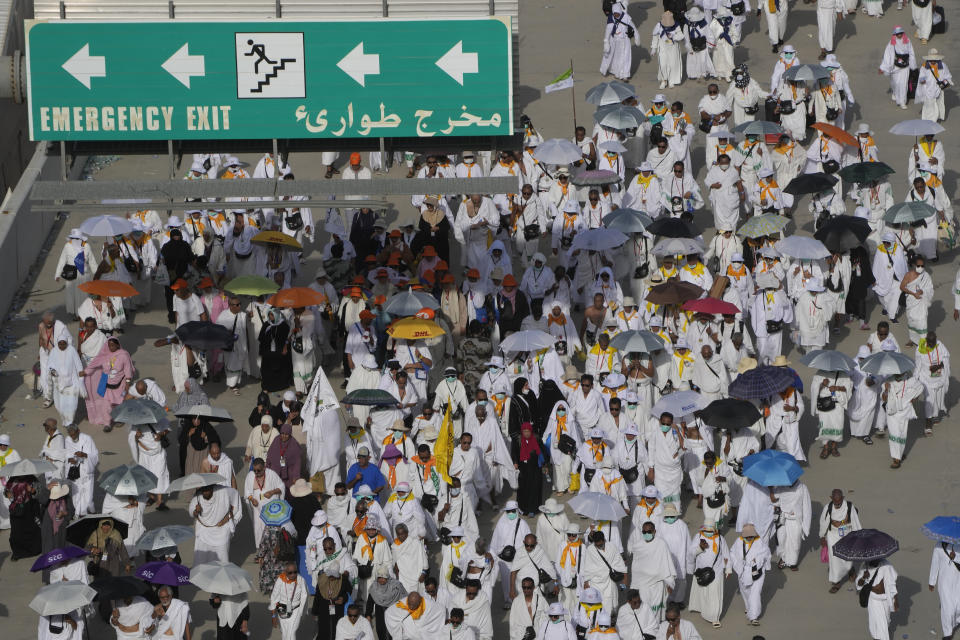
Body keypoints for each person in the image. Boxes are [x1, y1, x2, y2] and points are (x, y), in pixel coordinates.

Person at [81, 336, 134, 433]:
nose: (111, 347)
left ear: (118, 345)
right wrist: (85, 372)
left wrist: (127, 384)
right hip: (108, 386)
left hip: (120, 386)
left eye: (113, 345)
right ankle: (107, 424)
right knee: (106, 405)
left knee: (118, 404)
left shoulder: (124, 355)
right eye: (109, 345)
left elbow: (128, 371)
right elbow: (94, 365)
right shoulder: (105, 355)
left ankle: (119, 419)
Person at [628, 520, 676, 622]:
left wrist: (670, 583)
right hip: (642, 586)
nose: (647, 534)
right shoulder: (637, 546)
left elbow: (667, 564)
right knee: (644, 608)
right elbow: (635, 568)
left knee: (656, 609)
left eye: (649, 532)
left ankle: (654, 629)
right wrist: (634, 586)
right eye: (644, 532)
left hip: (657, 584)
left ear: (654, 532)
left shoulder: (661, 544)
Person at [819, 489, 863, 592]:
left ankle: (850, 570)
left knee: (847, 559)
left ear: (843, 498)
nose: (837, 505)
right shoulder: (828, 508)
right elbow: (823, 523)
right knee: (834, 560)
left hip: (847, 535)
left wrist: (859, 537)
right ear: (831, 498)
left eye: (839, 503)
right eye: (835, 502)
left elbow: (855, 522)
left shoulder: (849, 507)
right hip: (832, 535)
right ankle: (836, 582)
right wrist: (822, 537)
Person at [189, 483, 241, 564]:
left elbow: (236, 498)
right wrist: (196, 511)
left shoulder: (224, 491)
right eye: (203, 490)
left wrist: (226, 519)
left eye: (207, 490)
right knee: (201, 560)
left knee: (222, 560)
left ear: (212, 488)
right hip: (203, 532)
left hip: (221, 531)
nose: (204, 493)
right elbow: (191, 511)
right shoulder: (198, 496)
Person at [729, 523, 770, 626]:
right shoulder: (738, 541)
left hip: (757, 571)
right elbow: (732, 553)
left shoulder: (760, 542)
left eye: (751, 536)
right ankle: (749, 608)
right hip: (743, 571)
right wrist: (736, 565)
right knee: (745, 591)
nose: (749, 538)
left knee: (755, 594)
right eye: (747, 536)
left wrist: (757, 561)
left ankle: (754, 617)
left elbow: (766, 554)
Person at [881, 372, 923, 468]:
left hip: (905, 411)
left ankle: (899, 453)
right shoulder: (888, 381)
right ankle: (896, 458)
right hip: (892, 412)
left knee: (902, 433)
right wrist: (886, 389)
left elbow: (921, 387)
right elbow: (883, 398)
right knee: (894, 433)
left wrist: (914, 398)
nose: (898, 374)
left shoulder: (910, 380)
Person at [915, 332, 950, 433]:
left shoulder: (940, 345)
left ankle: (934, 415)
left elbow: (946, 357)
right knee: (929, 400)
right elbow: (918, 365)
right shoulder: (920, 349)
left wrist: (939, 366)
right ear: (926, 340)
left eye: (933, 342)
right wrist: (915, 380)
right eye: (929, 342)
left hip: (939, 377)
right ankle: (928, 421)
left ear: (936, 339)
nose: (931, 344)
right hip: (926, 378)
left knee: (938, 398)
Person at [511, 423, 547, 516]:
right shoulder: (517, 440)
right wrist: (515, 462)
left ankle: (533, 509)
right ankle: (523, 509)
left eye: (528, 431)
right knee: (523, 488)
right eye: (525, 431)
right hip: (523, 469)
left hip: (535, 468)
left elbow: (542, 451)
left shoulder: (536, 438)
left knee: (534, 488)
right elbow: (514, 452)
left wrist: (545, 465)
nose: (526, 433)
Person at [600, 2, 640, 81]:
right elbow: (608, 31)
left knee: (626, 57)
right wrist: (606, 42)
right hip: (615, 40)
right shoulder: (611, 18)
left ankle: (625, 75)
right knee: (616, 57)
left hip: (625, 40)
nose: (616, 15)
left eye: (617, 14)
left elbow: (633, 27)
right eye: (614, 14)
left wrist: (637, 37)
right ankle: (616, 72)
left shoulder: (626, 17)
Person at [860, 558, 898, 640]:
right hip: (873, 600)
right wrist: (863, 577)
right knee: (875, 623)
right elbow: (859, 584)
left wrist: (895, 600)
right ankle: (878, 637)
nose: (873, 561)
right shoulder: (865, 566)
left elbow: (892, 584)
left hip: (885, 600)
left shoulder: (887, 566)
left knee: (886, 621)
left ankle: (880, 636)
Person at [879, 26, 917, 109]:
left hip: (905, 67)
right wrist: (883, 67)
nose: (899, 35)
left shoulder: (907, 41)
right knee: (896, 83)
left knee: (903, 84)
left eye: (900, 33)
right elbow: (887, 55)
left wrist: (913, 66)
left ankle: (902, 102)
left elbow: (911, 53)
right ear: (895, 34)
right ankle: (895, 93)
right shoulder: (891, 43)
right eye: (897, 33)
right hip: (895, 67)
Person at [64, 424, 99, 516]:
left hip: (86, 472)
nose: (72, 437)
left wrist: (84, 455)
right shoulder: (67, 440)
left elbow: (95, 456)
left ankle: (92, 513)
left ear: (78, 431)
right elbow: (66, 455)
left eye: (74, 434)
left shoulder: (87, 439)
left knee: (88, 498)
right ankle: (79, 515)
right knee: (76, 496)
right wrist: (70, 459)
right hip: (75, 473)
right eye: (71, 435)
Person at [928, 541, 960, 640]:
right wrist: (932, 581)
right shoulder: (938, 546)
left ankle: (956, 622)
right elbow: (935, 563)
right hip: (944, 584)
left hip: (958, 581)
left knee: (958, 606)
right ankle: (947, 634)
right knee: (947, 609)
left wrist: (955, 558)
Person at [269, 560, 308, 640]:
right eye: (290, 572)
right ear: (285, 572)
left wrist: (301, 611)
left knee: (291, 633)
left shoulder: (300, 580)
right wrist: (273, 616)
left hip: (296, 610)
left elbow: (305, 596)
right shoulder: (280, 580)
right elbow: (274, 597)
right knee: (284, 633)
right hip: (282, 610)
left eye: (295, 572)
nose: (293, 574)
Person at [900, 256, 933, 346]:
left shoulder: (926, 276)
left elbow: (930, 288)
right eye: (918, 266)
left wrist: (923, 291)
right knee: (911, 321)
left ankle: (922, 342)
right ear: (914, 265)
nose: (920, 268)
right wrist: (913, 293)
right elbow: (902, 287)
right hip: (911, 302)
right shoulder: (908, 275)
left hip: (921, 303)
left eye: (922, 266)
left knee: (922, 322)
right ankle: (912, 339)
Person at [259, 310, 293, 392]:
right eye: (269, 314)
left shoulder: (283, 325)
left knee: (281, 368)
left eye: (272, 314)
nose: (270, 316)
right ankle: (267, 387)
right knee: (267, 369)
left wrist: (285, 347)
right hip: (268, 352)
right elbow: (261, 338)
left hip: (279, 351)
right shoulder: (267, 325)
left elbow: (288, 338)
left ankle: (281, 385)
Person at [651, 11, 684, 89]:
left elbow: (681, 36)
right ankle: (664, 80)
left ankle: (671, 80)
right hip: (662, 46)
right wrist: (653, 48)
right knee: (663, 64)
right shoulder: (658, 25)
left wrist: (673, 36)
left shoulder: (676, 25)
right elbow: (655, 36)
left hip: (673, 47)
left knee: (672, 64)